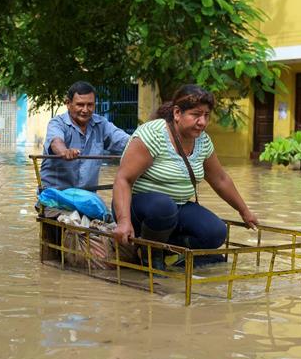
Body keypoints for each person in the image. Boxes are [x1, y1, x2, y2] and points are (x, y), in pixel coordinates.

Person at [111, 84, 258, 268]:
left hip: (177, 207)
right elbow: (123, 179)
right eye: (196, 115)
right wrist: (124, 221)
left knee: (216, 232)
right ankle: (150, 254)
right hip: (140, 210)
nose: (202, 122)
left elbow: (220, 179)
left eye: (206, 116)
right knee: (163, 206)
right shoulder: (153, 134)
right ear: (177, 113)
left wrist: (244, 211)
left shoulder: (202, 140)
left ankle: (170, 253)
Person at [39, 81, 130, 190]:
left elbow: (126, 141)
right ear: (68, 103)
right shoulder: (57, 123)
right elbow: (56, 142)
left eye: (90, 105)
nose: (85, 110)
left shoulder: (101, 124)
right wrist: (64, 151)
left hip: (86, 197)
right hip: (56, 195)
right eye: (80, 105)